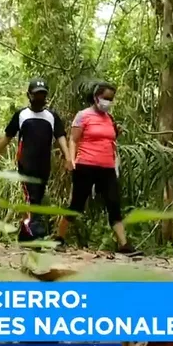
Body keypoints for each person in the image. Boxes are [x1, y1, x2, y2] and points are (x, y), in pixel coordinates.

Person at [0, 78, 72, 240]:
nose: (40, 98)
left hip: (44, 165)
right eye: (36, 94)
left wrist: (68, 157)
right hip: (26, 164)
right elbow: (7, 137)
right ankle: (36, 235)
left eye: (43, 94)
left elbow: (61, 137)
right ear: (29, 95)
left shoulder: (51, 116)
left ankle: (25, 236)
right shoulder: (21, 115)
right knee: (31, 198)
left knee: (37, 198)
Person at [58, 82, 135, 254]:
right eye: (105, 98)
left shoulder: (110, 119)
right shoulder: (83, 115)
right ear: (96, 97)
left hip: (107, 167)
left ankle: (124, 244)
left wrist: (117, 133)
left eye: (111, 99)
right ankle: (58, 238)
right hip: (85, 165)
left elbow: (109, 140)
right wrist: (70, 159)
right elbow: (73, 139)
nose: (108, 101)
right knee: (77, 205)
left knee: (114, 204)